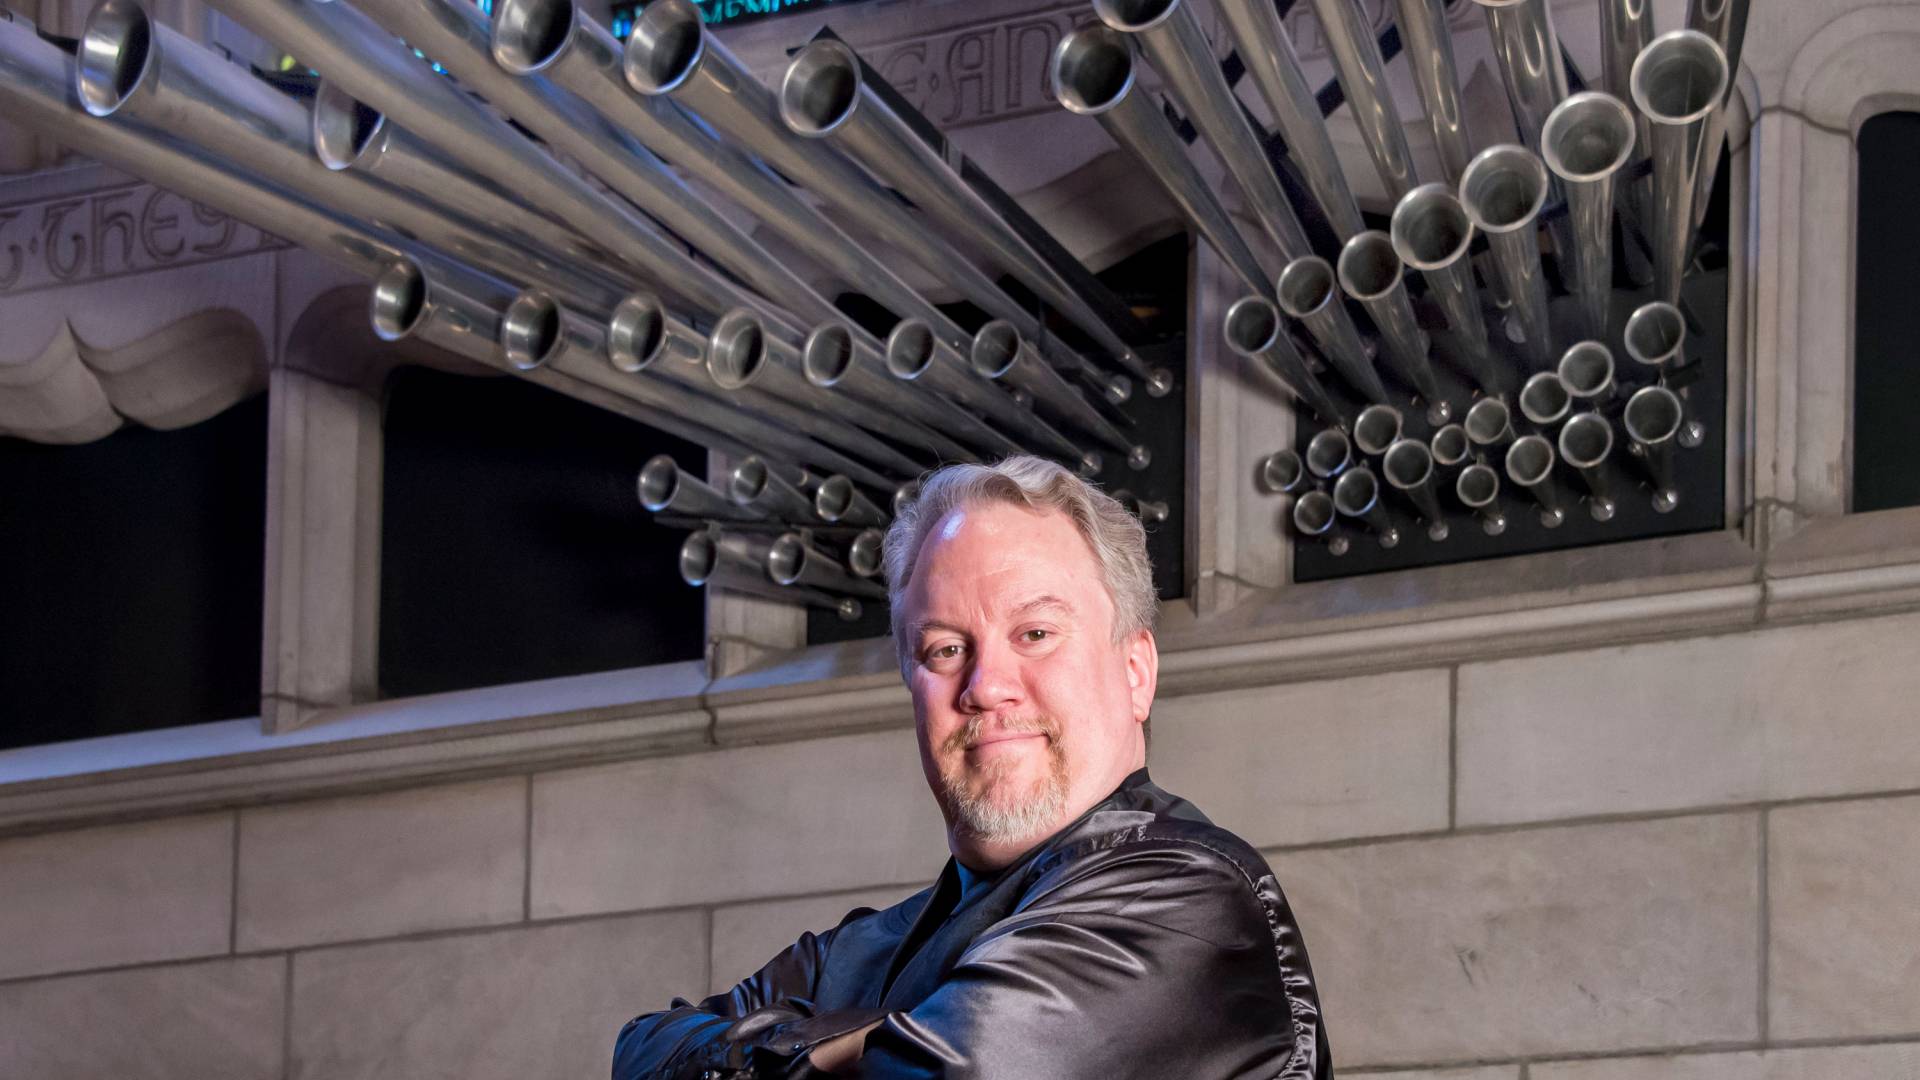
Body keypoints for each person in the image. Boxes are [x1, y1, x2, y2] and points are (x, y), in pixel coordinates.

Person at [613, 456, 1332, 1079]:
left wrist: (830, 1043)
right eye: (946, 649)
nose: (986, 685)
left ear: (1136, 671)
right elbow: (642, 1051)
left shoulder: (1187, 894)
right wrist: (859, 1050)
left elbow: (968, 1068)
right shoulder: (865, 949)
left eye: (1036, 634)